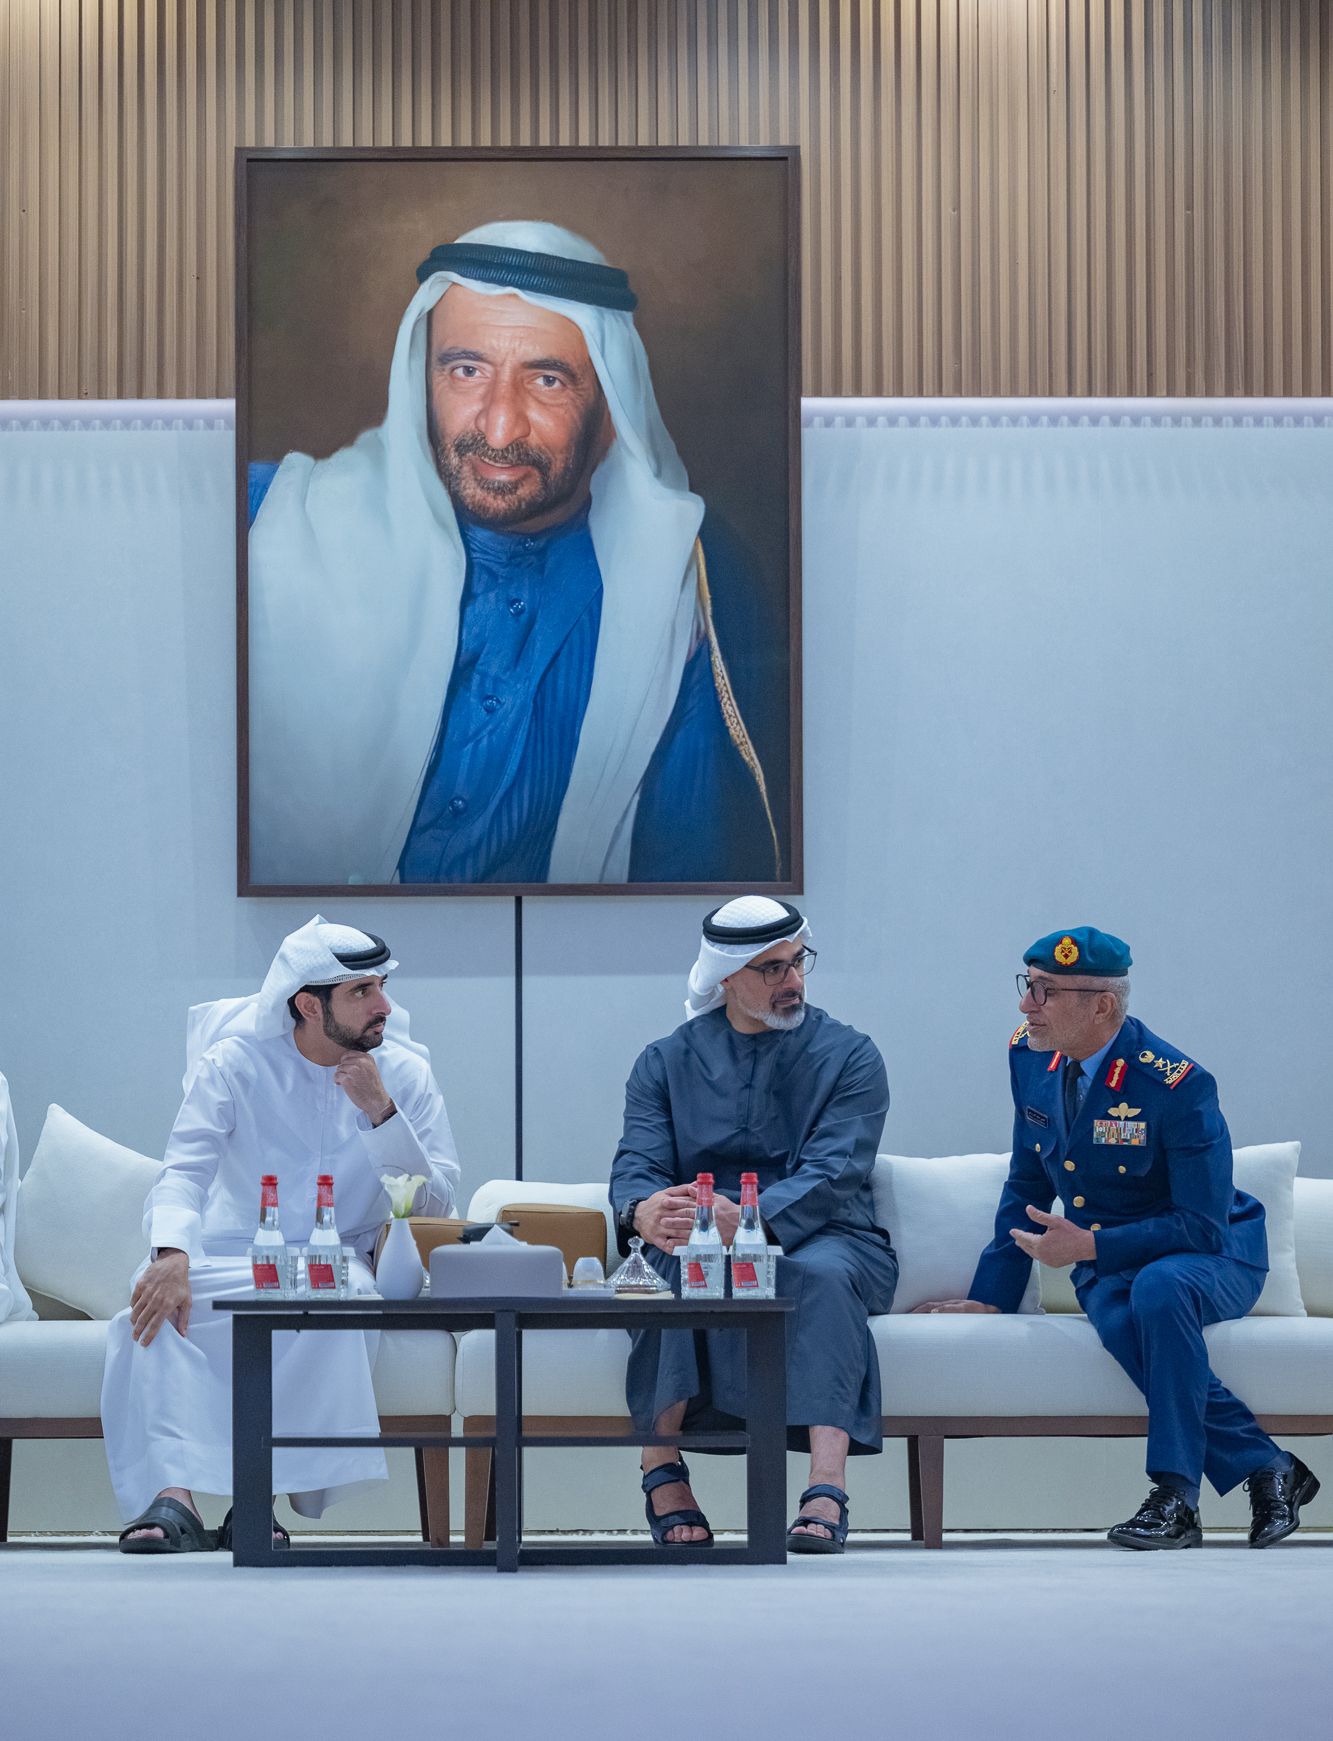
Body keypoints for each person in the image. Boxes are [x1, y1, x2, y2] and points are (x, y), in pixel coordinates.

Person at [247, 220, 784, 888]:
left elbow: (691, 865)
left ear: (611, 407)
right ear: (422, 382)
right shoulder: (267, 526)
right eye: (466, 371)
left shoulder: (684, 586)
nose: (499, 426)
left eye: (548, 381)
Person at [914, 927, 1319, 1550]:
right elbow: (1026, 1178)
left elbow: (1202, 1225)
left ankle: (1175, 1497)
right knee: (1138, 1312)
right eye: (1028, 987)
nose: (1027, 1006)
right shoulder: (1031, 1055)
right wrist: (992, 1296)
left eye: (1045, 992)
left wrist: (1090, 1249)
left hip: (1213, 1255)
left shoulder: (1177, 1085)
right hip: (1104, 1261)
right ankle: (1268, 1467)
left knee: (1159, 1288)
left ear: (1102, 1005)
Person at [102, 918, 460, 1552]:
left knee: (331, 1290)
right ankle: (174, 1496)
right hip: (234, 1254)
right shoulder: (236, 1064)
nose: (383, 1006)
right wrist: (172, 1254)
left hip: (340, 1262)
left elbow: (431, 1204)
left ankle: (255, 1498)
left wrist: (382, 1113)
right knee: (153, 1290)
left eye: (380, 986)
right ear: (306, 1004)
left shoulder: (403, 1074)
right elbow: (183, 1170)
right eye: (361, 993)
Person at [609, 896, 897, 1552]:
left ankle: (827, 1484)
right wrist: (640, 1210)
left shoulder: (850, 1055)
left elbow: (835, 1173)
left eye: (797, 963)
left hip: (824, 1232)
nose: (792, 981)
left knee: (820, 1276)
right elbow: (636, 1165)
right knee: (667, 1268)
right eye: (770, 970)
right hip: (698, 1231)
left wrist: (752, 1222)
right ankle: (662, 1470)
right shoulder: (663, 1062)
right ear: (725, 979)